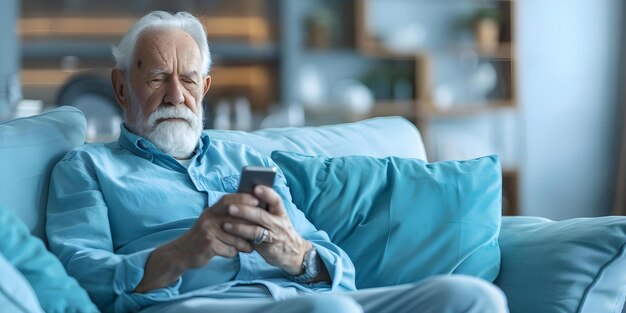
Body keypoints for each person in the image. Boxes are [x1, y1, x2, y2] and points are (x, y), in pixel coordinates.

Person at [46, 11, 508, 313]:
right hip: (201, 303)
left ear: (205, 89)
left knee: (471, 298)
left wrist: (298, 254)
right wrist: (182, 252)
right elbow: (79, 276)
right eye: (157, 78)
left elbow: (337, 269)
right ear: (122, 87)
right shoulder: (86, 168)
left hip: (300, 294)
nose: (175, 96)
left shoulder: (245, 158)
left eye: (188, 80)